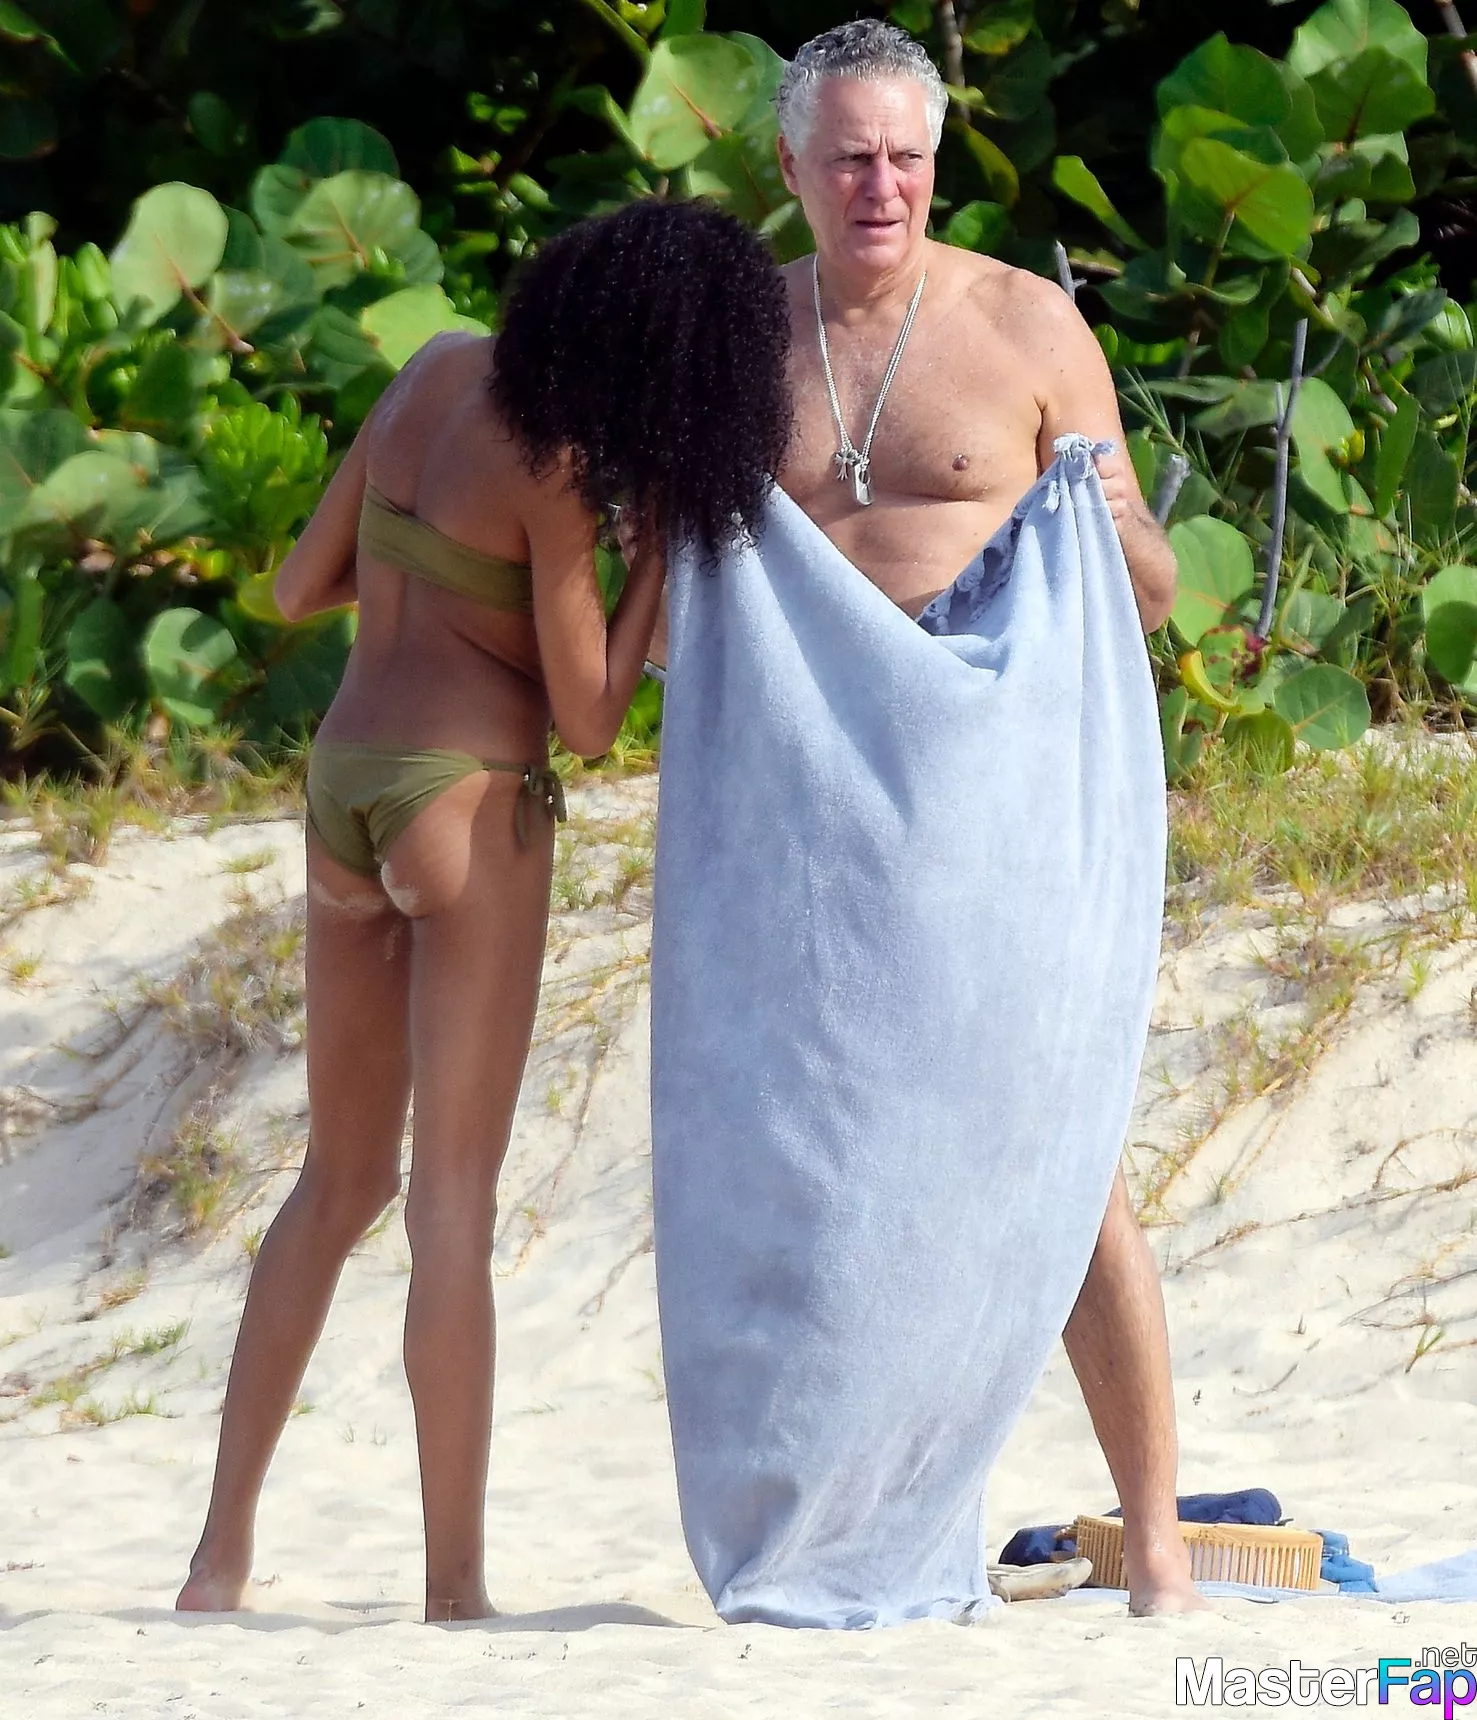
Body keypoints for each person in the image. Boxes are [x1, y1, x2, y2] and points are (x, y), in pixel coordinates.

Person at [651, 20, 1202, 1618]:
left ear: (936, 161)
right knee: (805, 1165)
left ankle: (1159, 1539)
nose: (878, 186)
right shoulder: (734, 343)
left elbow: (1145, 597)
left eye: (904, 156)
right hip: (805, 816)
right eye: (847, 158)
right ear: (790, 165)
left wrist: (1120, 526)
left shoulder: (1026, 324)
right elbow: (671, 596)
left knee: (1065, 1159)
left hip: (989, 807)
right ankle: (830, 1536)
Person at [175, 199, 792, 1624]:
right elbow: (588, 718)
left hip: (344, 784)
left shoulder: (431, 370)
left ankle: (218, 1559)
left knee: (335, 1185)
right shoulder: (558, 461)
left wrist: (437, 584)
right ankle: (453, 1587)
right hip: (466, 801)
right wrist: (659, 551)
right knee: (449, 1201)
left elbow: (295, 587)